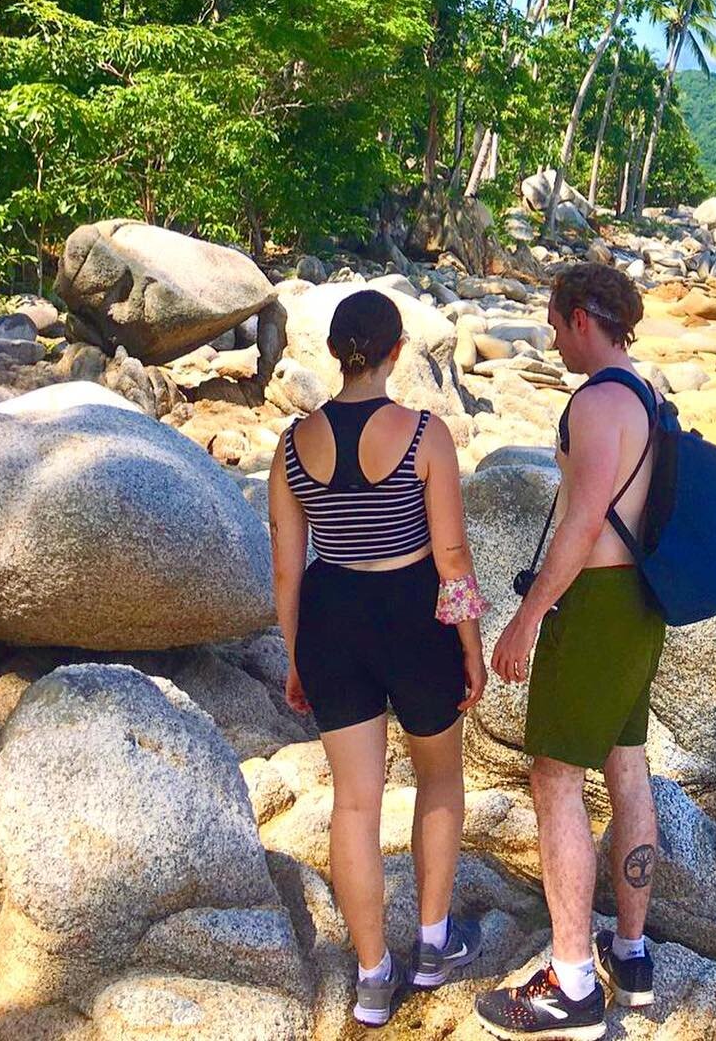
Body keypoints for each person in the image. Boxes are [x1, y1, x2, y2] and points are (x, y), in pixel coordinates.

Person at [269, 288, 489, 1028]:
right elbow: (452, 557)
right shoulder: (426, 435)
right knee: (439, 780)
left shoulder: (292, 444)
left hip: (332, 619)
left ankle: (371, 976)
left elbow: (286, 570)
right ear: (398, 351)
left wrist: (298, 656)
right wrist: (471, 647)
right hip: (413, 618)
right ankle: (432, 945)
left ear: (336, 352)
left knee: (355, 802)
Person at [475, 264, 664, 1041]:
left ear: (584, 317)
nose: (550, 338)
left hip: (593, 608)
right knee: (627, 765)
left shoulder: (594, 405)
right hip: (641, 608)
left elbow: (583, 524)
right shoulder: (648, 397)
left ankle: (573, 984)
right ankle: (633, 953)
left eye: (554, 323)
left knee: (555, 777)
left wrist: (526, 619)